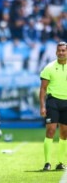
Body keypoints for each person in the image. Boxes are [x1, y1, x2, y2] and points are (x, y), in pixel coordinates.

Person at [39, 41, 67, 171]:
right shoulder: (49, 68)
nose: (61, 53)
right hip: (53, 102)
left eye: (64, 50)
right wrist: (42, 106)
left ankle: (61, 162)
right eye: (59, 50)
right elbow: (43, 89)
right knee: (50, 131)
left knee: (64, 133)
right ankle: (47, 162)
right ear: (56, 52)